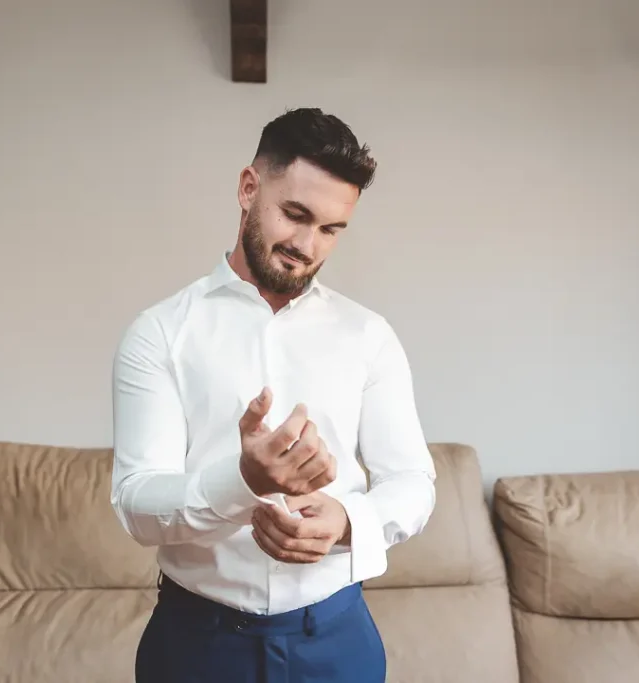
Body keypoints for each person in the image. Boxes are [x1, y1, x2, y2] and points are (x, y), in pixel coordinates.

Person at [110, 107, 436, 683]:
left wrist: (346, 521)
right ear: (248, 187)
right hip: (195, 647)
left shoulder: (369, 336)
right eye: (295, 214)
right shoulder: (160, 333)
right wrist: (245, 482)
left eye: (332, 229)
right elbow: (137, 505)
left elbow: (413, 482)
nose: (308, 246)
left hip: (337, 643)